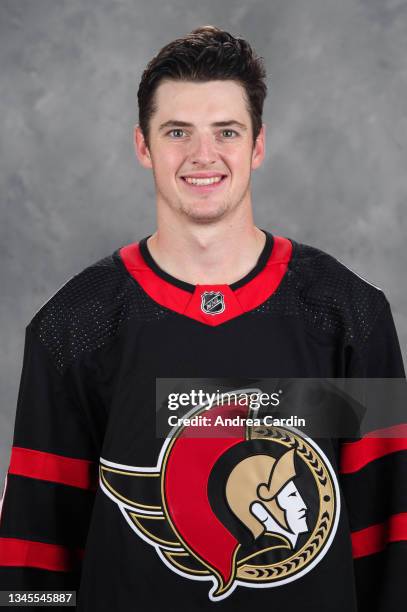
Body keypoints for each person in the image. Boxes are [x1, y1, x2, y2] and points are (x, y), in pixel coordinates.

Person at [0, 24, 405, 612]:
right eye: (177, 132)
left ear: (257, 146)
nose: (202, 155)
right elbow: (37, 556)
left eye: (226, 131)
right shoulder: (71, 326)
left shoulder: (351, 315)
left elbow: (388, 533)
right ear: (143, 145)